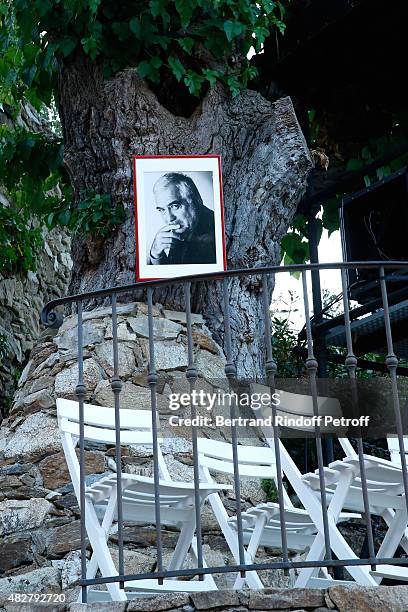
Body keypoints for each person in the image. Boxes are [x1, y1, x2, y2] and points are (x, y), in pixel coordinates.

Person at [148, 172, 216, 265]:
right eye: (162, 210)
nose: (169, 218)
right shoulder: (185, 228)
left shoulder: (216, 234)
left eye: (175, 206)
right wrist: (156, 255)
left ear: (197, 200)